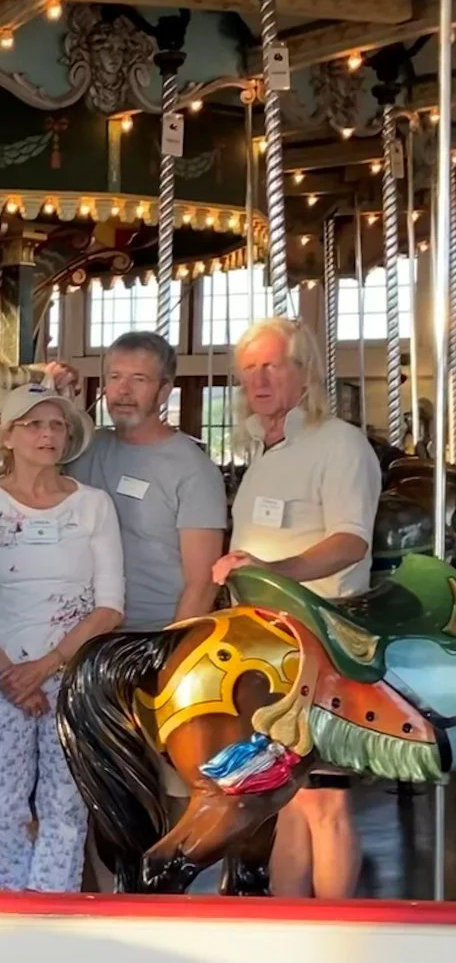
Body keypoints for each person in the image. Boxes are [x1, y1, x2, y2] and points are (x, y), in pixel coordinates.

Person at [212, 317, 380, 900]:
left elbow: (350, 540)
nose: (258, 380)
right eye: (249, 370)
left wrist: (271, 575)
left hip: (323, 640)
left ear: (304, 373)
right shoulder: (268, 453)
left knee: (325, 802)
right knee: (290, 802)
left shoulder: (338, 443)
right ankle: (287, 928)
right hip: (276, 647)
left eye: (272, 365)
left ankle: (340, 932)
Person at [0, 385, 123, 893]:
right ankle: (16, 907)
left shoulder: (93, 505)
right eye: (34, 424)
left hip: (70, 671)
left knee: (65, 803)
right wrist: (11, 673)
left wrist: (45, 666)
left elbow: (110, 604)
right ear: (6, 436)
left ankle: (51, 910)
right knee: (0, 805)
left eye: (57, 426)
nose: (48, 435)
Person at [67, 332, 228, 631]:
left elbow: (203, 581)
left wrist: (171, 651)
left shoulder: (193, 469)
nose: (124, 391)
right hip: (79, 631)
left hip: (151, 632)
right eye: (115, 377)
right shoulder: (87, 448)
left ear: (165, 390)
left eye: (139, 379)